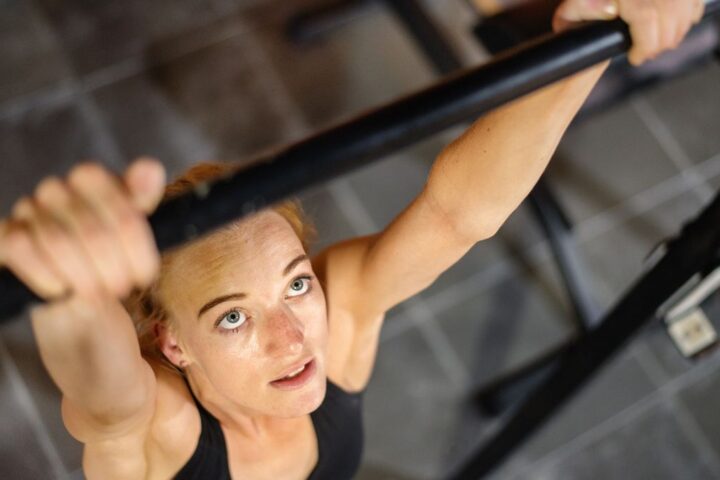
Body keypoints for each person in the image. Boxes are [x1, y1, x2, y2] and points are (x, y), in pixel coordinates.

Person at [0, 0, 705, 478]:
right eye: (233, 317)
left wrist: (588, 41)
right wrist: (67, 295)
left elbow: (458, 214)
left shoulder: (337, 326)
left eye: (297, 283)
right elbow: (105, 399)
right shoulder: (162, 431)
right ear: (170, 342)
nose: (293, 338)